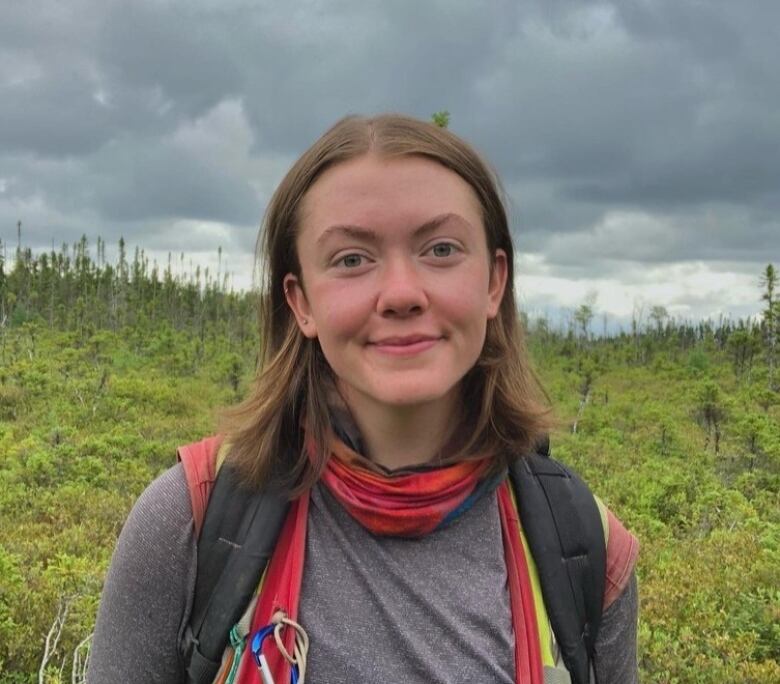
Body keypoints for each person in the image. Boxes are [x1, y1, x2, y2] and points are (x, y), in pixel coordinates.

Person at [89, 114, 639, 684]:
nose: (401, 293)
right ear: (301, 302)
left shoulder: (582, 546)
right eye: (352, 259)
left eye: (442, 249)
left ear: (494, 283)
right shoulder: (189, 521)